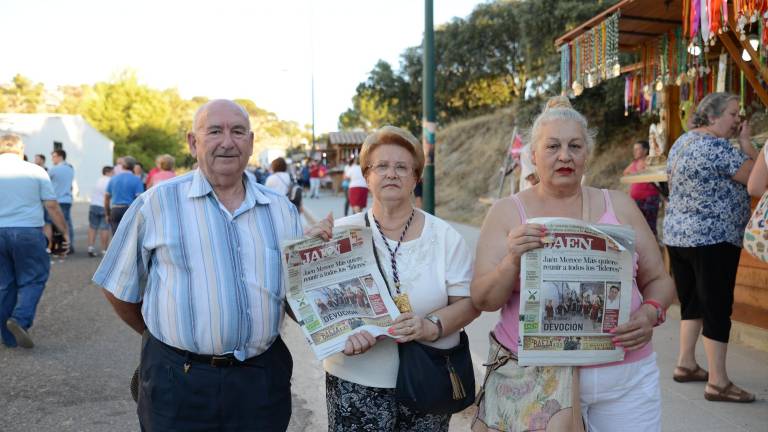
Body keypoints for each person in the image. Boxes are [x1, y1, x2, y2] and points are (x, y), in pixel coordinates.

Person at [92, 100, 303, 430]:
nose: (227, 141)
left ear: (250, 141)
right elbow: (118, 287)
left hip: (262, 380)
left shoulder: (282, 210)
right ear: (193, 142)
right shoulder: (155, 204)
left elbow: (297, 291)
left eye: (237, 131)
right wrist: (160, 339)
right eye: (215, 131)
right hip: (177, 381)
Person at [471, 96, 674, 431]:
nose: (564, 155)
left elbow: (659, 280)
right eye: (552, 146)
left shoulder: (619, 205)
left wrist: (651, 311)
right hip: (537, 378)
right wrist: (511, 260)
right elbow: (483, 299)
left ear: (586, 154)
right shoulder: (508, 212)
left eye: (574, 146)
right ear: (533, 156)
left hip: (625, 376)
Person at [310, 125, 479, 431]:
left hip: (429, 376)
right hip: (355, 377)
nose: (391, 174)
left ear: (416, 177)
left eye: (402, 167)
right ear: (367, 175)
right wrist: (307, 252)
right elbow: (308, 306)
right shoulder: (338, 234)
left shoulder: (444, 237)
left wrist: (430, 326)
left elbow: (469, 304)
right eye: (382, 166)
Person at [664, 92, 757, 403]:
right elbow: (755, 179)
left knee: (692, 303)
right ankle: (718, 383)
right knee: (716, 307)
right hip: (712, 239)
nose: (737, 120)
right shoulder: (718, 148)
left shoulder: (683, 141)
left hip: (678, 237)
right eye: (733, 114)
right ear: (714, 117)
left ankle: (685, 363)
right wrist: (747, 144)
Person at [0, 134, 69, 348]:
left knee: (4, 284)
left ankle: (8, 337)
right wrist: (64, 231)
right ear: (21, 149)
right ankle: (20, 320)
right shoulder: (36, 171)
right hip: (27, 231)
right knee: (34, 279)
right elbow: (51, 206)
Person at [623, 140, 661, 236]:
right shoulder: (634, 163)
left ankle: (654, 249)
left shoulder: (650, 161)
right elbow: (625, 173)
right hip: (636, 200)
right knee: (637, 228)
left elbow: (657, 173)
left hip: (649, 199)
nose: (634, 151)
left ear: (645, 150)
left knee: (650, 228)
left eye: (637, 149)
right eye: (634, 149)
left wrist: (640, 173)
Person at [45, 149, 75, 254]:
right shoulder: (70, 169)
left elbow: (45, 181)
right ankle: (69, 246)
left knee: (50, 223)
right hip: (67, 199)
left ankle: (52, 247)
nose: (52, 158)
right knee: (66, 224)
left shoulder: (54, 169)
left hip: (56, 200)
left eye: (54, 156)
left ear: (60, 156)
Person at [104, 156, 144, 234]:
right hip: (130, 209)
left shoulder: (113, 179)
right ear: (133, 166)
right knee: (129, 236)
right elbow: (139, 199)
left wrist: (107, 214)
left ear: (122, 166)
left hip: (115, 209)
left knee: (115, 236)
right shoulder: (136, 180)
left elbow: (106, 198)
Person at [87, 166, 114, 257]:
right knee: (104, 228)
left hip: (93, 205)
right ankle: (104, 250)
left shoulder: (98, 180)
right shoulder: (110, 181)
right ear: (108, 172)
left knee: (92, 227)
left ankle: (90, 247)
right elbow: (110, 196)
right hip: (104, 206)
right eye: (112, 172)